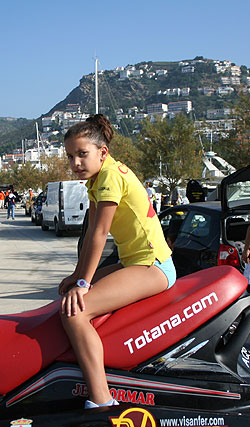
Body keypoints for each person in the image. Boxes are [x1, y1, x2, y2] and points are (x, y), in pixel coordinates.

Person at [58, 114, 176, 409]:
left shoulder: (110, 176)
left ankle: (101, 400)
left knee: (75, 313)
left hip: (152, 266)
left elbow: (100, 233)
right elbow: (89, 238)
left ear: (102, 152)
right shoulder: (97, 179)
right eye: (70, 156)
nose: (75, 163)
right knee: (71, 296)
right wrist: (77, 275)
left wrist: (84, 282)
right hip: (134, 263)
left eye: (82, 154)